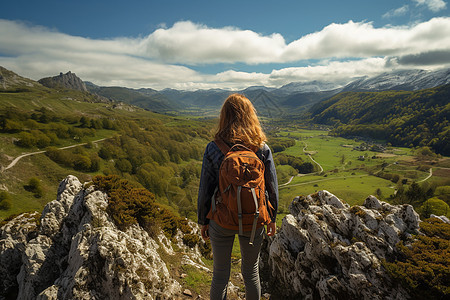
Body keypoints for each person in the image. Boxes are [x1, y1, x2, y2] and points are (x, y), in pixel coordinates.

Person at [197, 93, 278, 300]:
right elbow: (271, 187)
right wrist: (272, 218)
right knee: (251, 273)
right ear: (251, 116)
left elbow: (205, 188)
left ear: (223, 116)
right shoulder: (262, 148)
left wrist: (203, 221)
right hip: (255, 219)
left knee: (220, 275)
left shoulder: (213, 148)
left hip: (222, 219)